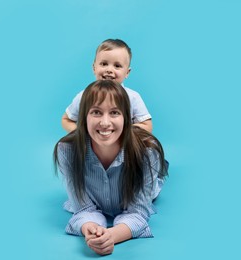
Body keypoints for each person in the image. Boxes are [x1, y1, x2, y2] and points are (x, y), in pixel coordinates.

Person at [53, 80, 168, 255]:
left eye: (114, 112)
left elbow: (137, 212)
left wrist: (111, 236)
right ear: (84, 118)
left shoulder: (147, 153)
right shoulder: (66, 150)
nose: (105, 123)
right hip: (94, 200)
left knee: (154, 183)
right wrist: (92, 231)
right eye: (96, 112)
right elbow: (83, 208)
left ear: (127, 119)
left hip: (145, 182)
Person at [61, 39, 153, 133]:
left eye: (117, 66)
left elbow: (147, 126)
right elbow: (66, 120)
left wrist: (121, 132)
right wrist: (81, 133)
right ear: (94, 68)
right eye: (104, 64)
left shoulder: (133, 97)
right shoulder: (84, 95)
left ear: (127, 72)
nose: (109, 70)